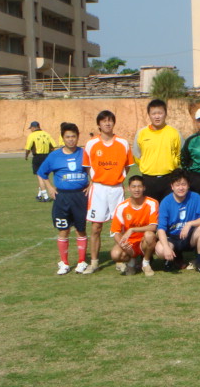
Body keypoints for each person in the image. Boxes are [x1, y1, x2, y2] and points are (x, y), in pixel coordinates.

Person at [82, 110, 134, 274]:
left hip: (116, 189)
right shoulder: (91, 144)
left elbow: (127, 166)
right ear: (99, 124)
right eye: (104, 121)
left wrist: (117, 177)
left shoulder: (123, 143)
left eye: (110, 120)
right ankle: (94, 262)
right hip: (98, 190)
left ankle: (120, 259)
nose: (107, 123)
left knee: (120, 227)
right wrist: (95, 180)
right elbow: (88, 166)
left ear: (114, 123)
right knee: (96, 227)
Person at [37, 123, 89, 275]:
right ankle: (64, 263)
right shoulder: (54, 156)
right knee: (63, 230)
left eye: (73, 136)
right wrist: (50, 187)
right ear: (63, 138)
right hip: (62, 197)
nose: (71, 139)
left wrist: (91, 184)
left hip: (80, 196)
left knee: (80, 230)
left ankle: (81, 261)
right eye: (68, 137)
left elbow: (93, 170)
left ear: (77, 137)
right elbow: (42, 173)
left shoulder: (84, 153)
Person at [155, 169, 200, 273]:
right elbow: (161, 228)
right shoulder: (166, 202)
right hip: (172, 238)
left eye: (183, 184)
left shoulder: (196, 197)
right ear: (172, 186)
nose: (181, 188)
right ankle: (171, 260)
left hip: (190, 236)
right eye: (177, 185)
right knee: (160, 249)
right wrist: (166, 247)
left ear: (188, 185)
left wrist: (190, 224)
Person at [133, 99, 182, 202]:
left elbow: (181, 154)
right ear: (149, 115)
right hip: (148, 179)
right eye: (154, 113)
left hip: (169, 179)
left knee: (168, 209)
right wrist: (147, 165)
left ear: (165, 114)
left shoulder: (174, 133)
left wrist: (173, 163)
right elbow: (136, 155)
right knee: (150, 209)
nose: (157, 116)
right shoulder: (141, 133)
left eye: (160, 113)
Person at [109, 176, 158, 276]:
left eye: (139, 186)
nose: (137, 189)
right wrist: (122, 244)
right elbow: (116, 231)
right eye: (134, 187)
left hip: (145, 242)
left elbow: (154, 227)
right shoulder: (122, 207)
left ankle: (146, 263)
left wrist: (132, 229)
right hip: (130, 243)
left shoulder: (152, 203)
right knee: (115, 254)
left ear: (144, 188)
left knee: (149, 235)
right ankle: (131, 263)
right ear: (129, 188)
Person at [25, 120, 56, 202]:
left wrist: (26, 155)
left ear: (33, 127)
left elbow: (28, 148)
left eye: (31, 128)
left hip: (37, 157)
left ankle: (45, 196)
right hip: (47, 156)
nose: (31, 130)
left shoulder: (32, 135)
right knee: (44, 175)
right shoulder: (47, 134)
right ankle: (39, 195)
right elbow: (53, 146)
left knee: (40, 176)